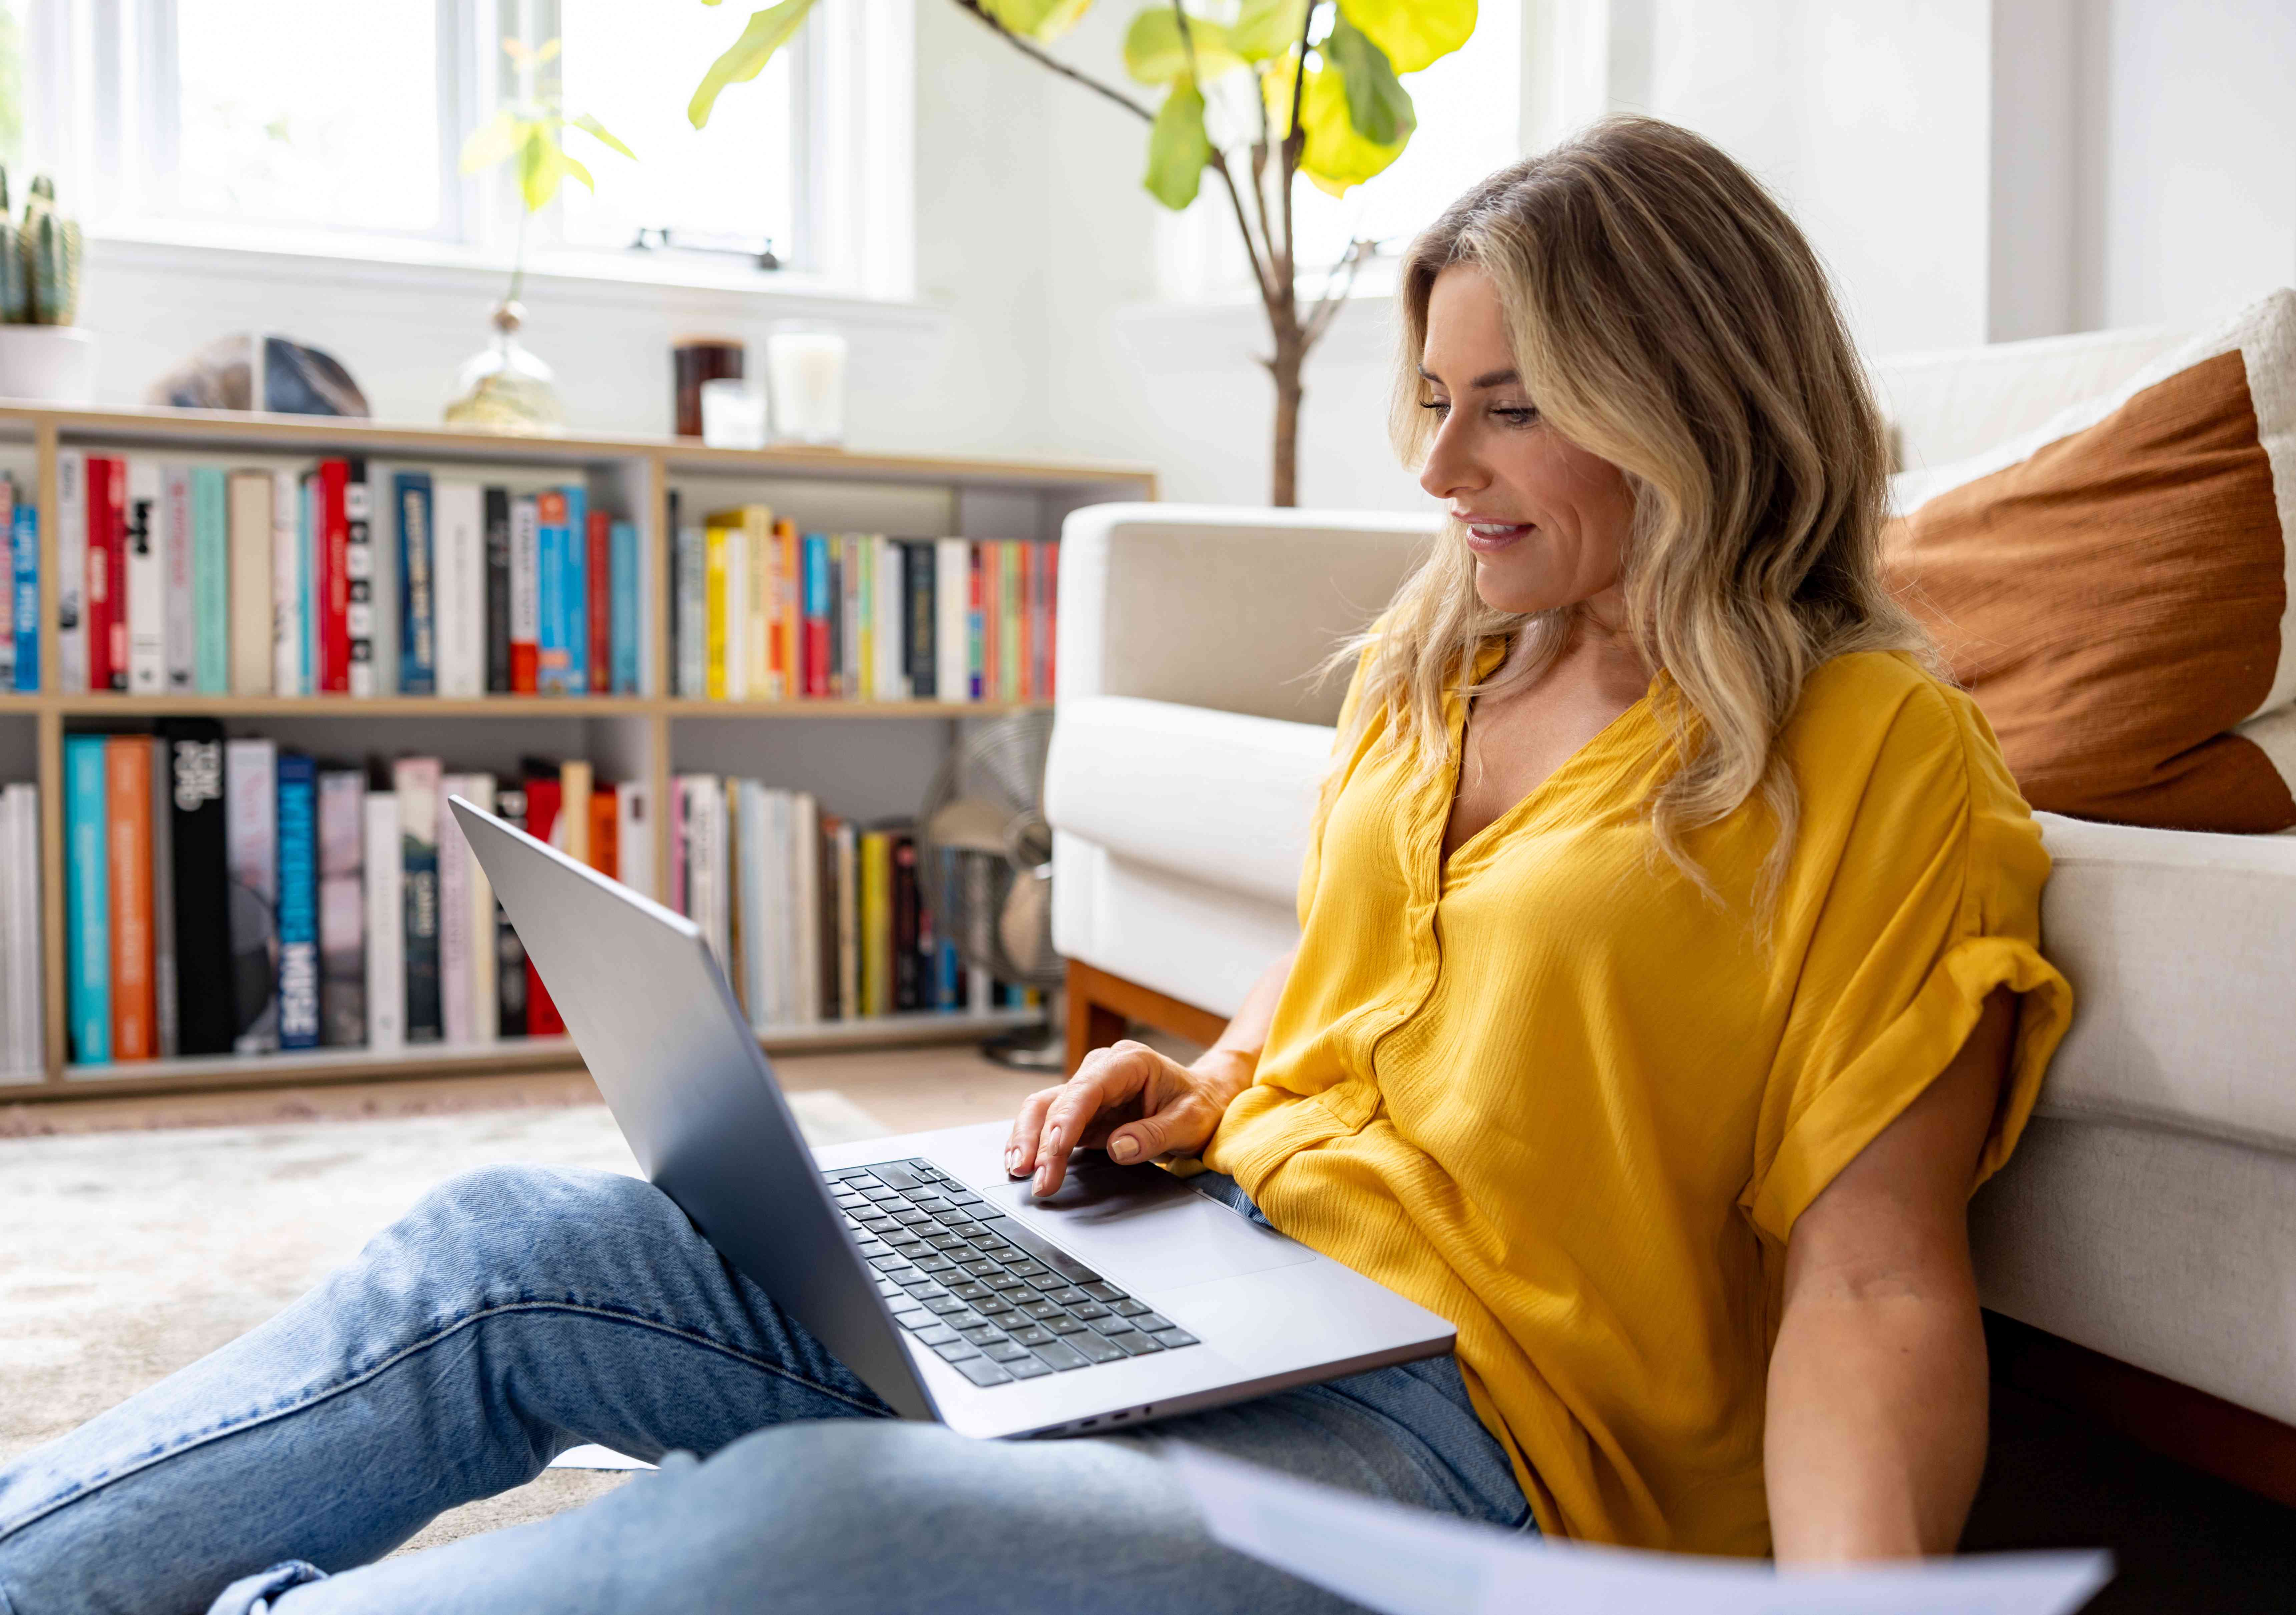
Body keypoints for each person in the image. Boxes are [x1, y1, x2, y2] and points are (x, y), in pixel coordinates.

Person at [0, 117, 2072, 1615]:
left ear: (1689, 402)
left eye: (1510, 412)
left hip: (1460, 1456)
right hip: (1201, 1285)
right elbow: (1371, 999)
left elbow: (1876, 1276)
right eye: (1431, 400)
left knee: (803, 1538)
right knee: (503, 1253)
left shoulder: (1863, 750)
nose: (1434, 472)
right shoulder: (1433, 672)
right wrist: (1216, 1081)